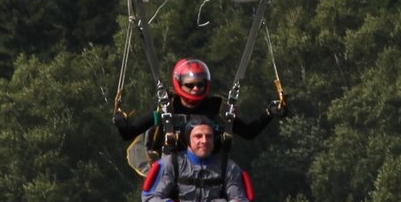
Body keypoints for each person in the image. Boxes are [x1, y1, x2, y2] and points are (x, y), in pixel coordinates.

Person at [113, 57, 284, 150]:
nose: (196, 89)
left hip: (209, 170)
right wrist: (121, 122)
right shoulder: (167, 109)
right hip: (173, 169)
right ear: (180, 84)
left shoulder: (216, 107)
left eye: (200, 84)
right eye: (190, 85)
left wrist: (269, 113)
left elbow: (248, 132)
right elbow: (129, 134)